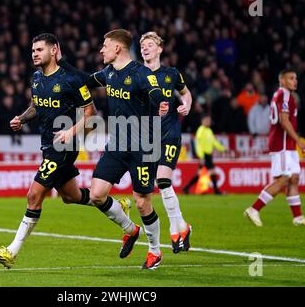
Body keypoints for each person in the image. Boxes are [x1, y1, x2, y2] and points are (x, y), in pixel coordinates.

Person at [0, 33, 104, 268]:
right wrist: (22, 118)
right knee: (71, 196)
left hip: (64, 145)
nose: (35, 54)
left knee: (33, 195)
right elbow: (37, 106)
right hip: (48, 143)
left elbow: (91, 113)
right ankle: (118, 211)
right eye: (33, 51)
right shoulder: (37, 78)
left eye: (39, 49)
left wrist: (71, 131)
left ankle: (11, 251)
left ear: (53, 50)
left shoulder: (71, 79)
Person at [59, 29, 169, 269]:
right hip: (117, 145)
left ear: (117, 48)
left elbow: (155, 90)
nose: (101, 50)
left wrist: (160, 100)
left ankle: (155, 251)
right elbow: (87, 79)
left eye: (105, 45)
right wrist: (61, 63)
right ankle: (130, 230)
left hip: (143, 146)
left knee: (142, 203)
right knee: (97, 194)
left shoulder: (141, 73)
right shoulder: (108, 73)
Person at [140, 31, 193, 254]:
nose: (145, 48)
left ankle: (175, 228)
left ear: (159, 49)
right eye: (142, 45)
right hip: (146, 137)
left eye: (150, 44)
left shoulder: (171, 73)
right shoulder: (136, 74)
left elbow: (186, 93)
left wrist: (186, 104)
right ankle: (183, 227)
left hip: (169, 133)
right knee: (148, 191)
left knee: (162, 180)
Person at [244, 69, 305, 226]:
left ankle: (298, 217)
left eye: (296, 78)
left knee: (294, 178)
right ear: (282, 81)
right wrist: (299, 140)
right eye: (291, 78)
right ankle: (254, 209)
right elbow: (284, 121)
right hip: (281, 143)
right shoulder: (284, 94)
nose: (295, 81)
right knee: (283, 179)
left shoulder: (283, 95)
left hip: (287, 144)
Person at [183, 114, 226, 195]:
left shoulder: (209, 131)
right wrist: (201, 156)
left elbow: (214, 142)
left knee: (200, 174)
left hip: (208, 155)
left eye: (209, 120)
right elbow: (198, 144)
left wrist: (223, 149)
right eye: (207, 120)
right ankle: (216, 191)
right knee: (211, 172)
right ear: (203, 121)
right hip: (204, 155)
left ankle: (186, 188)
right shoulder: (201, 130)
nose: (208, 122)